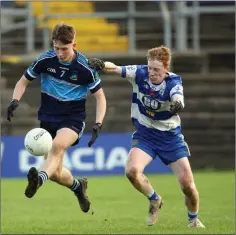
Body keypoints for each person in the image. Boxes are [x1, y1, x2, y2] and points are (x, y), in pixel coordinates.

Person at [88, 46, 205, 228]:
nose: (151, 72)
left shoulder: (174, 82)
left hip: (170, 138)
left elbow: (178, 97)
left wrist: (177, 104)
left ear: (166, 69)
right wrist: (102, 65)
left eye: (156, 69)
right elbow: (115, 68)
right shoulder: (140, 73)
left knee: (187, 186)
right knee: (132, 171)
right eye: (150, 67)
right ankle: (154, 199)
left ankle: (193, 219)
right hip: (146, 135)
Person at [7, 23, 106, 213]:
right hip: (48, 118)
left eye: (64, 49)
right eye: (56, 48)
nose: (60, 53)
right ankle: (78, 187)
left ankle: (38, 182)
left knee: (57, 146)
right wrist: (14, 100)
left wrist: (98, 123)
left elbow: (100, 97)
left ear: (74, 45)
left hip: (73, 119)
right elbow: (23, 81)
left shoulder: (85, 68)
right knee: (56, 173)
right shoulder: (45, 60)